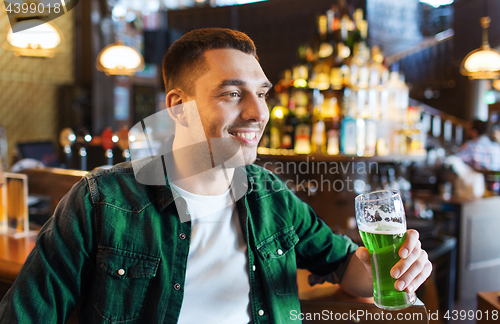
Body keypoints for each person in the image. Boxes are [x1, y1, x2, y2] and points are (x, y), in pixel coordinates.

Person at [0, 28, 432, 323]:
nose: (257, 112)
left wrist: (389, 266)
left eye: (261, 94)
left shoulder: (272, 198)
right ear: (176, 107)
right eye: (232, 94)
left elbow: (346, 269)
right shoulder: (101, 201)